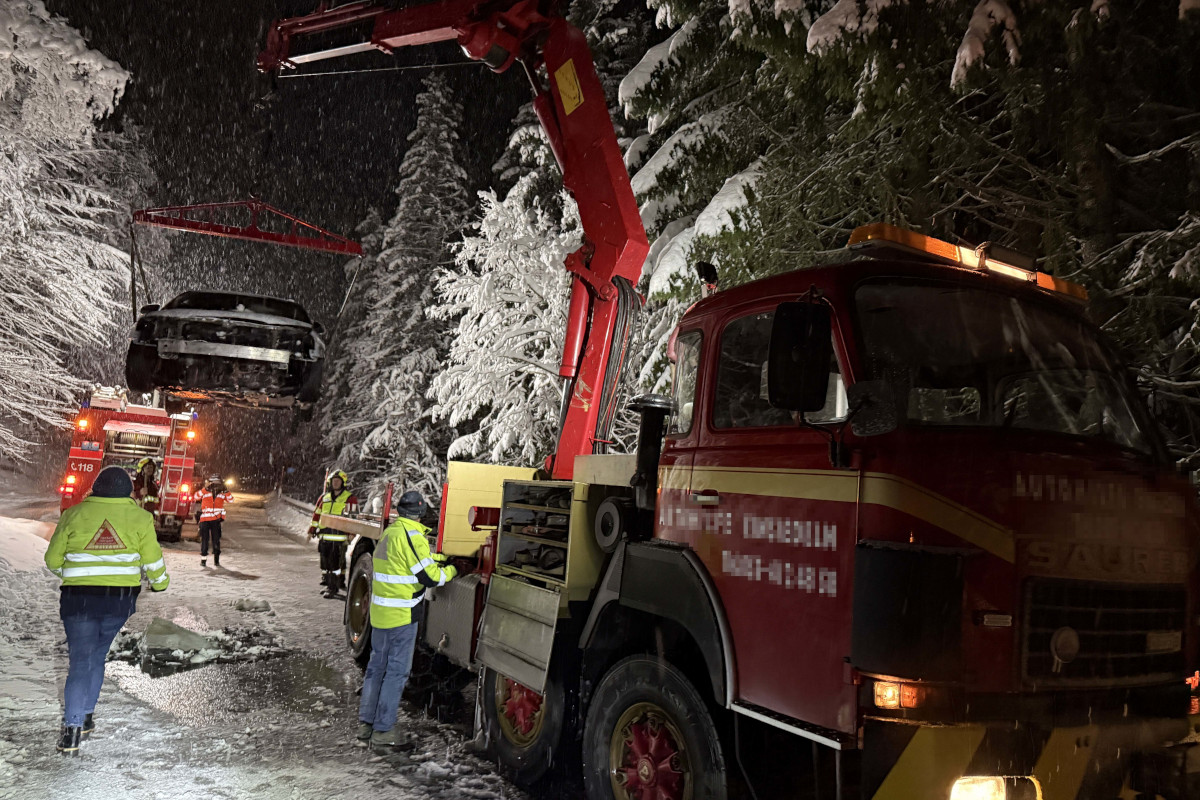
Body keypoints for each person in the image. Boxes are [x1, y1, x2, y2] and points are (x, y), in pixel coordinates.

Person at [44, 465, 170, 755]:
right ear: (128, 491)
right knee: (97, 656)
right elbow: (153, 559)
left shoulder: (73, 515)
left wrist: (74, 573)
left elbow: (52, 559)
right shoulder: (140, 518)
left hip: (78, 600)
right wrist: (160, 583)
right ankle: (87, 716)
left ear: (96, 488)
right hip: (118, 601)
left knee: (80, 660)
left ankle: (72, 731)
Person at [357, 490, 456, 751]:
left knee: (376, 669)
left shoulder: (391, 533)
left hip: (381, 613)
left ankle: (366, 725)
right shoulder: (414, 536)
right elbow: (430, 577)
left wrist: (437, 559)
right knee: (396, 673)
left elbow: (406, 562)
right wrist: (453, 569)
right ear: (421, 513)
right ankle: (384, 730)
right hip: (401, 616)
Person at [306, 469, 359, 599]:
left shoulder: (349, 498)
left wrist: (351, 534)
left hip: (339, 537)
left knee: (335, 564)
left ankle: (332, 588)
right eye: (333, 481)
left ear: (343, 482)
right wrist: (311, 531)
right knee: (326, 563)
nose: (335, 483)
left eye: (338, 481)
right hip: (324, 536)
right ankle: (334, 582)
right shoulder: (324, 498)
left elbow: (353, 517)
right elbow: (316, 515)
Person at [194, 474, 233, 568]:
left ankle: (216, 560)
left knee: (216, 540)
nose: (215, 486)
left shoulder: (222, 493)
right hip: (205, 520)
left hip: (216, 520)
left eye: (217, 483)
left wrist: (226, 490)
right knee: (205, 540)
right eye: (213, 483)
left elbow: (231, 500)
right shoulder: (205, 492)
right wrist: (205, 488)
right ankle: (203, 560)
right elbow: (196, 496)